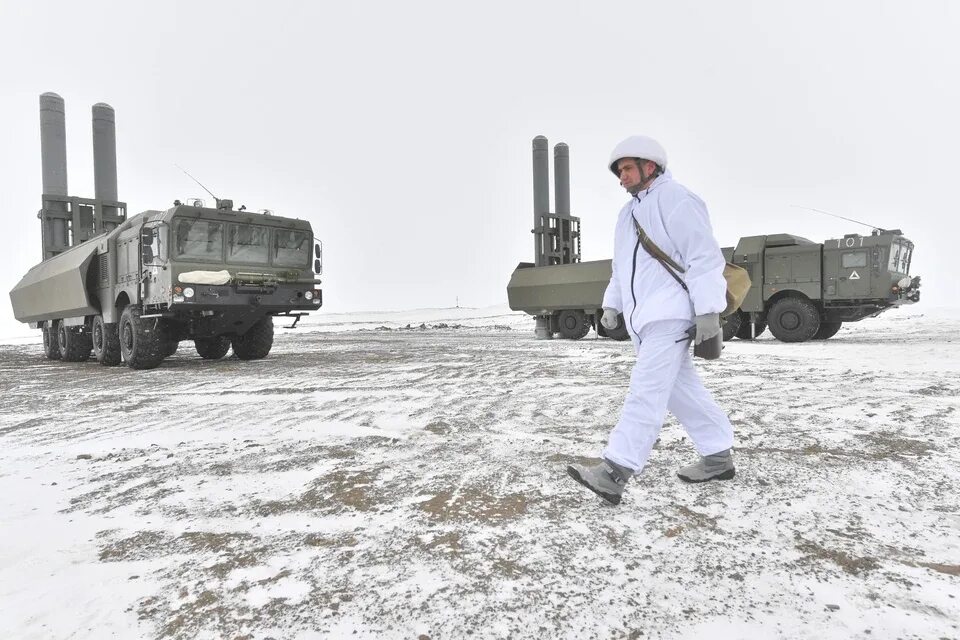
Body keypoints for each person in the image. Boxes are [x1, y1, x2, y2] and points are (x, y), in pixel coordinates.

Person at [566, 135, 735, 506]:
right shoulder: (626, 215)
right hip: (646, 322)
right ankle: (718, 456)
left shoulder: (677, 199)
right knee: (681, 392)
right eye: (619, 171)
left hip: (671, 316)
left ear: (650, 166)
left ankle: (615, 471)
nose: (621, 177)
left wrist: (708, 309)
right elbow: (621, 269)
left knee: (645, 392)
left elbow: (704, 256)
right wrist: (612, 305)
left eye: (626, 168)